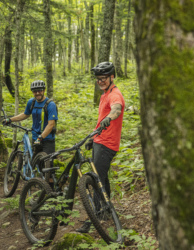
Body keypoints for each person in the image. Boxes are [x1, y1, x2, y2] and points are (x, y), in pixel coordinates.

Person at [77, 62, 125, 233]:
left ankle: (94, 219)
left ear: (112, 77)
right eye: (98, 79)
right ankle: (105, 212)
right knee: (102, 178)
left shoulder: (115, 94)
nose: (100, 81)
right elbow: (101, 118)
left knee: (96, 180)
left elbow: (116, 109)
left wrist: (109, 118)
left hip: (107, 144)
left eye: (103, 78)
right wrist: (93, 136)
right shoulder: (105, 94)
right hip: (100, 140)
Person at [3, 80, 58, 155]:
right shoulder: (31, 102)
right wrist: (10, 120)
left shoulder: (50, 105)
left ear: (44, 90)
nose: (37, 93)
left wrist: (41, 137)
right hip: (35, 138)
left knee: (47, 164)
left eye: (40, 90)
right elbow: (26, 114)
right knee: (35, 162)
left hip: (47, 139)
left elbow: (51, 124)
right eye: (35, 91)